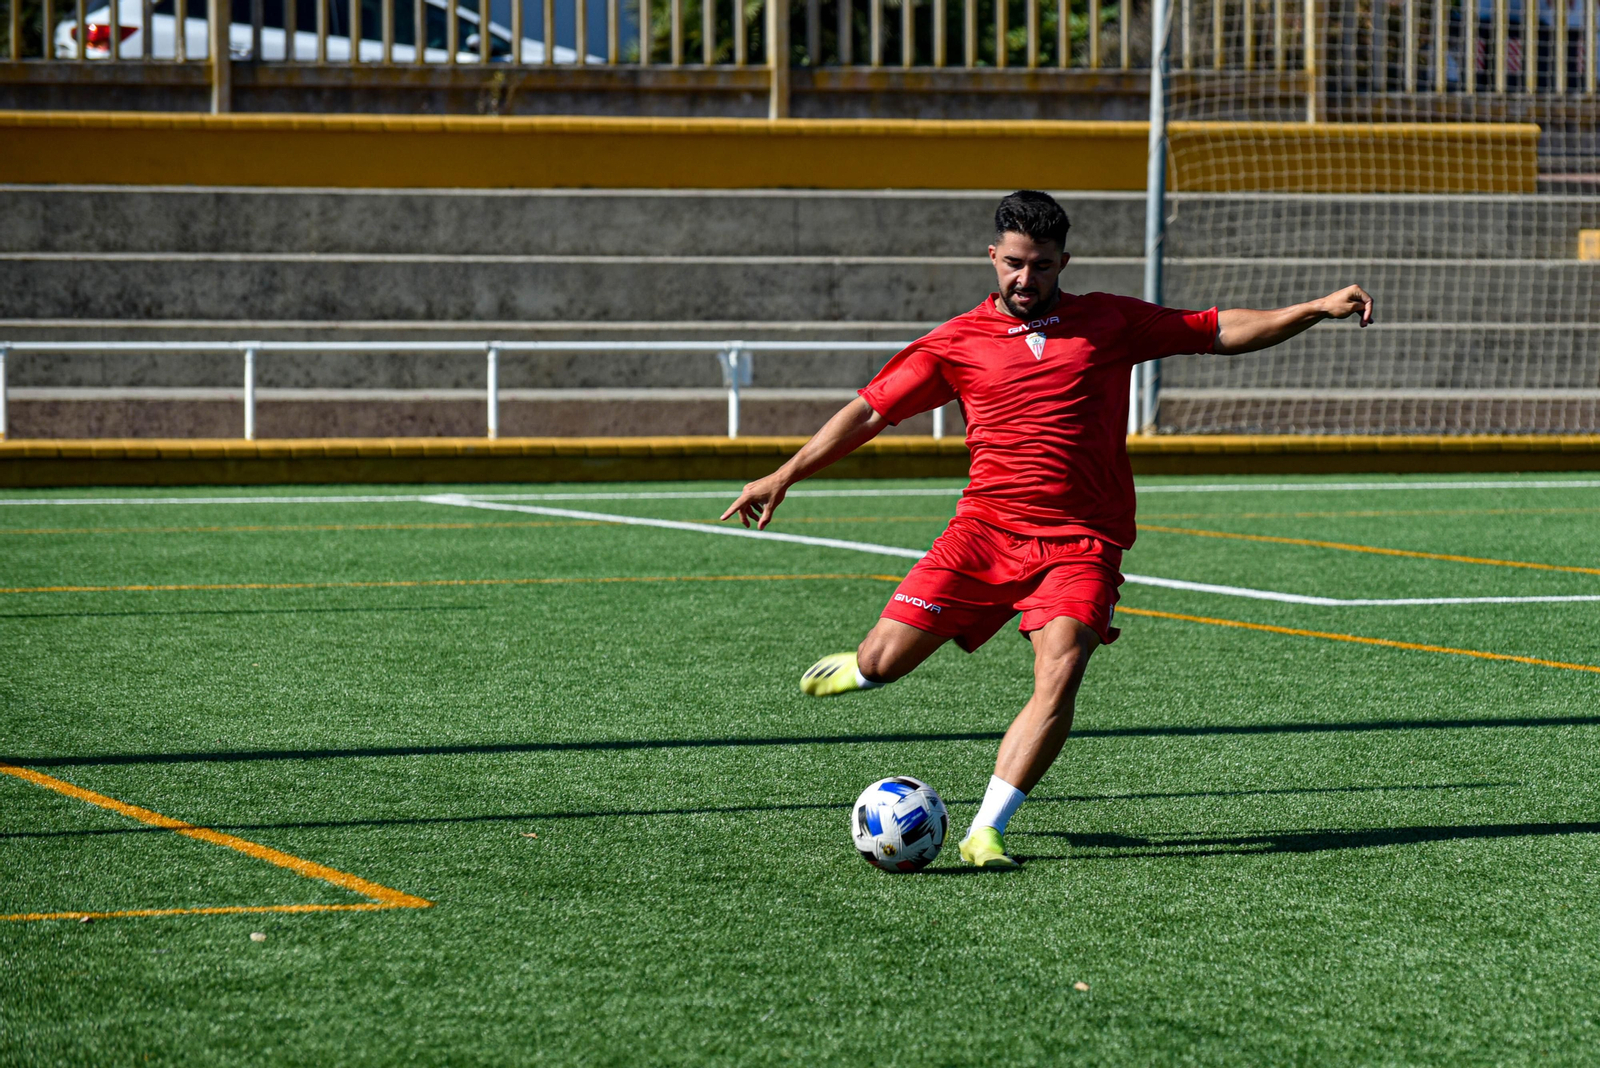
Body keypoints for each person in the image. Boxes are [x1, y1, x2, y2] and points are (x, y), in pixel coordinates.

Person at [719, 190, 1374, 869]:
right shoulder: (955, 342)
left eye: (1041, 266)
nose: (1025, 280)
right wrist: (784, 473)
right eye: (1011, 265)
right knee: (885, 662)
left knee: (1060, 669)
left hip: (1082, 543)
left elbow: (1215, 330)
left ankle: (985, 831)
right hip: (983, 533)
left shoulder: (1108, 321)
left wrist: (1314, 310)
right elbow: (868, 412)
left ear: (1064, 261)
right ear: (992, 257)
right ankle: (865, 667)